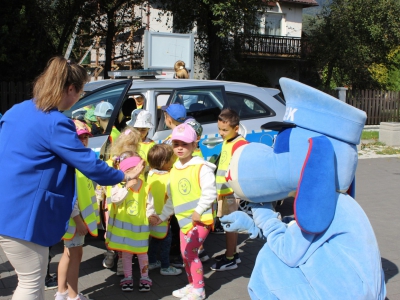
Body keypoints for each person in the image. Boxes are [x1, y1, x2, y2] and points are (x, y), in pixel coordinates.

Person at [0, 56, 143, 300]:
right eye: (80, 92)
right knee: (31, 283)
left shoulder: (17, 110)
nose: (79, 98)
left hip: (8, 205)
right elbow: (89, 165)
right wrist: (123, 175)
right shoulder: (56, 123)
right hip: (26, 215)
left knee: (29, 279)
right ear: (70, 89)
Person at [151, 123, 216, 300]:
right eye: (176, 143)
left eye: (185, 144)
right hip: (184, 222)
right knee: (185, 254)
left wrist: (199, 211)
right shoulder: (174, 170)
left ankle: (199, 290)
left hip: (200, 221)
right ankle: (192, 285)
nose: (179, 148)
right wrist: (162, 217)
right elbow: (172, 200)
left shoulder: (202, 167)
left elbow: (210, 192)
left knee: (190, 253)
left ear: (195, 145)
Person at [55, 120, 99, 300]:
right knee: (75, 256)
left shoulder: (80, 159)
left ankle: (62, 292)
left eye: (86, 137)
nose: (83, 141)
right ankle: (73, 296)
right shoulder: (72, 163)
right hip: (74, 221)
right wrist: (79, 220)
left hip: (73, 221)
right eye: (79, 137)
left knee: (68, 254)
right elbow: (71, 196)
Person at [98, 127, 141, 275]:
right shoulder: (134, 160)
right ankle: (119, 260)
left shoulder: (111, 161)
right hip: (117, 202)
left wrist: (99, 197)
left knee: (113, 231)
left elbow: (101, 184)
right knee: (119, 231)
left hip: (112, 203)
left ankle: (114, 257)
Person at [210, 108, 248, 272]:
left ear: (236, 128)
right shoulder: (227, 141)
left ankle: (230, 258)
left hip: (230, 193)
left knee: (229, 225)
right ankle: (231, 253)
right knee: (227, 224)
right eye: (219, 129)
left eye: (225, 130)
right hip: (223, 192)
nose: (221, 133)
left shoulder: (240, 144)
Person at [107, 155, 152, 293]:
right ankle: (128, 278)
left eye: (137, 170)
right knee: (126, 255)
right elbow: (115, 199)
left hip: (140, 230)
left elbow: (150, 204)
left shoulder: (145, 186)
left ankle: (145, 277)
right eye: (131, 170)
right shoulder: (119, 185)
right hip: (125, 232)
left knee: (142, 254)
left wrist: (151, 216)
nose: (135, 174)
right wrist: (126, 187)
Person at [146, 144, 182, 276]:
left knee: (155, 239)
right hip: (163, 216)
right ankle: (165, 266)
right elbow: (172, 198)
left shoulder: (150, 174)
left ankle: (152, 261)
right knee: (166, 241)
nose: (173, 161)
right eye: (171, 159)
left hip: (151, 215)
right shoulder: (169, 177)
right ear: (165, 162)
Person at [161, 103, 187, 267]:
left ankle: (176, 254)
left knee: (175, 221)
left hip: (174, 184)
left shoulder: (173, 140)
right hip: (184, 185)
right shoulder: (186, 135)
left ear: (168, 118)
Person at [127, 110, 155, 177]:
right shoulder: (127, 142)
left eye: (143, 130)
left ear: (148, 129)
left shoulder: (152, 145)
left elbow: (153, 166)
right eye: (136, 129)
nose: (139, 133)